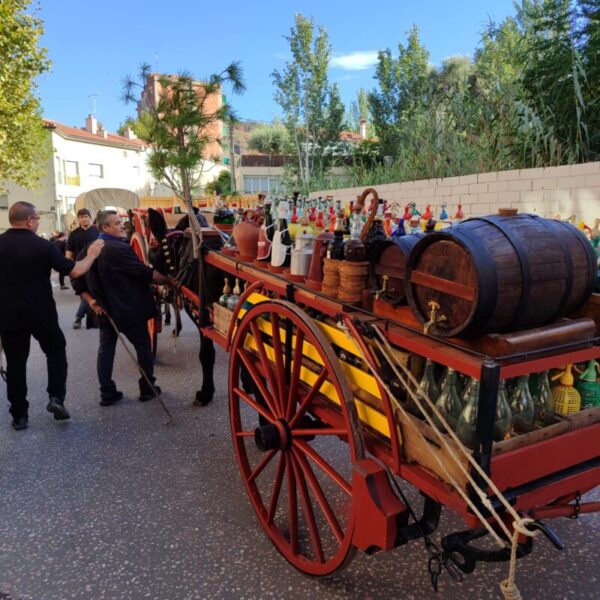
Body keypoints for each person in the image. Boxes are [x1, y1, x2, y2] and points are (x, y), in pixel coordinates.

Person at [0, 201, 104, 431]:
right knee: (56, 352)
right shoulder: (42, 246)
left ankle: (19, 416)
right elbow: (75, 270)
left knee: (16, 363)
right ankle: (56, 398)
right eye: (37, 219)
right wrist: (93, 254)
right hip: (41, 313)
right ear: (29, 221)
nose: (38, 223)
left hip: (8, 315)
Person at [73, 210, 173, 406]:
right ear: (105, 228)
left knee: (106, 350)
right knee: (143, 346)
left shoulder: (89, 249)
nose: (122, 226)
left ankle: (107, 393)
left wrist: (91, 300)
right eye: (117, 223)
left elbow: (77, 279)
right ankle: (147, 388)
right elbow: (142, 272)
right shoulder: (117, 248)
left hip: (105, 311)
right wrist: (168, 280)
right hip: (128, 310)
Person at [66, 208, 99, 329]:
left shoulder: (97, 231)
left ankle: (83, 318)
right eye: (81, 217)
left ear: (90, 217)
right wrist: (68, 267)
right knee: (85, 293)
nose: (84, 219)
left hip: (96, 267)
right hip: (79, 267)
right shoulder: (74, 234)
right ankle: (79, 317)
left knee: (90, 293)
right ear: (78, 219)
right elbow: (69, 251)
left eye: (86, 216)